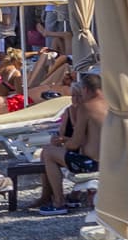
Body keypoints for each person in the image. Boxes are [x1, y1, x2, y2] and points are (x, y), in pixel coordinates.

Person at [39, 73, 107, 215]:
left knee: (48, 152)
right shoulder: (111, 104)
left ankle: (59, 202)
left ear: (85, 90)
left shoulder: (87, 107)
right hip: (113, 163)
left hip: (93, 164)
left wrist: (63, 145)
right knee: (52, 151)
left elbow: (75, 144)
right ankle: (70, 196)